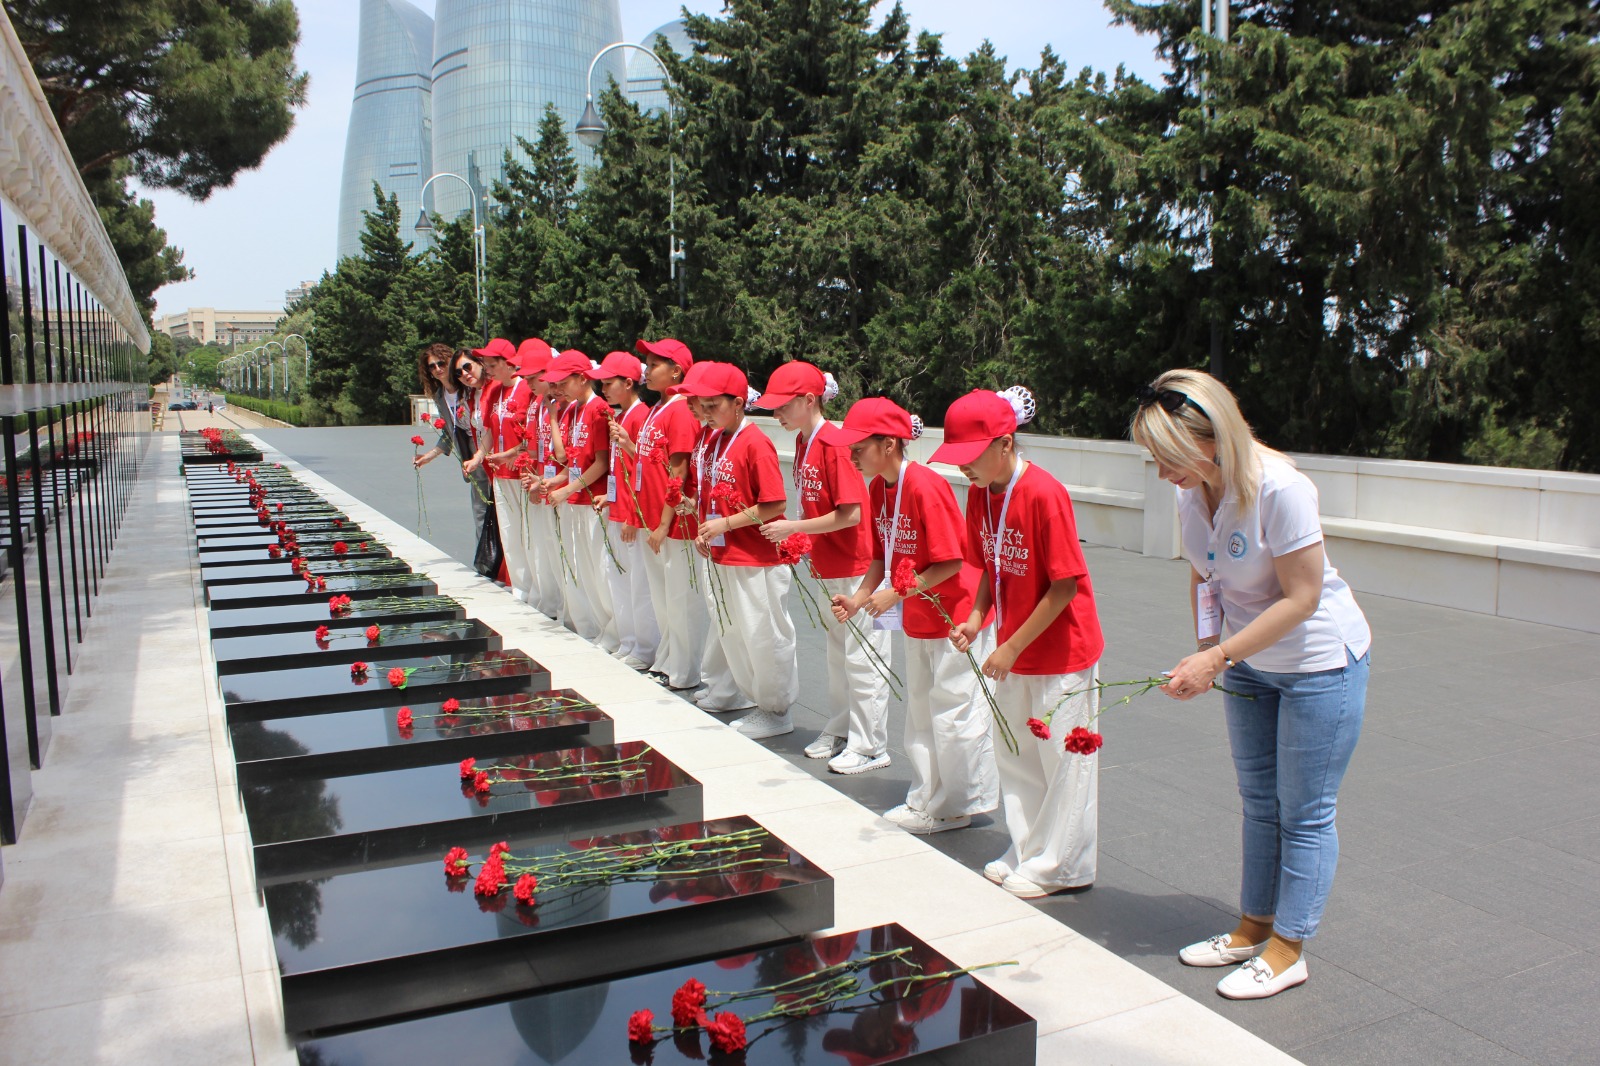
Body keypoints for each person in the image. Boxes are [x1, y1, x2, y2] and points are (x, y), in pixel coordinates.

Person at [1131, 368, 1371, 1001]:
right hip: (1248, 663)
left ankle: (1290, 947)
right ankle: (1252, 928)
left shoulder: (1280, 488)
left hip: (1319, 666)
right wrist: (1208, 651)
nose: (1162, 474)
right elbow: (1204, 576)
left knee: (1307, 811)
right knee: (1259, 802)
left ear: (1211, 439)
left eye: (1168, 459)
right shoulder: (1193, 492)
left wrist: (1219, 658)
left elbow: (1303, 596)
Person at [936, 387, 1105, 898]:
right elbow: (989, 567)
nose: (962, 467)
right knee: (1017, 753)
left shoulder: (1044, 493)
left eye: (970, 455)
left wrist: (1010, 646)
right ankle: (1029, 845)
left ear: (1005, 444)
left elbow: (1065, 585)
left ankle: (1064, 864)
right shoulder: (979, 492)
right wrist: (975, 618)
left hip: (1059, 649)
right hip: (1012, 645)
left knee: (1062, 758)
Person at [831, 399, 999, 833]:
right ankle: (927, 797)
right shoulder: (876, 488)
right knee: (922, 710)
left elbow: (952, 563)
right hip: (919, 614)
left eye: (859, 447)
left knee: (954, 711)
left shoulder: (925, 485)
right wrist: (860, 596)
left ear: (889, 445)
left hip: (955, 616)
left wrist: (894, 592)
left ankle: (958, 803)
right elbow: (881, 556)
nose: (851, 455)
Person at [754, 362, 889, 774]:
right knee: (838, 655)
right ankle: (843, 728)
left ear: (809, 400)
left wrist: (793, 527)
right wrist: (802, 540)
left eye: (783, 406)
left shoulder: (834, 443)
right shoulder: (804, 442)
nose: (776, 415)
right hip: (829, 564)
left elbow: (849, 514)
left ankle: (871, 745)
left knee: (864, 656)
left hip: (856, 566)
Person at [685, 363, 800, 739]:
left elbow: (773, 503)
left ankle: (776, 709)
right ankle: (752, 699)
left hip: (755, 559)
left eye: (713, 405)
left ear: (738, 404)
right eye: (702, 405)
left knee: (762, 635)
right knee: (732, 632)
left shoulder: (755, 442)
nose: (705, 412)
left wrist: (725, 524)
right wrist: (707, 529)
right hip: (725, 554)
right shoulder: (717, 438)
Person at [634, 338, 705, 690]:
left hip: (676, 523)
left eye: (653, 364)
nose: (645, 371)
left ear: (676, 370)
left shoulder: (679, 409)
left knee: (679, 599)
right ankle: (668, 659)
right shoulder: (657, 407)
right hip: (655, 517)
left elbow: (678, 471)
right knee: (663, 599)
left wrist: (664, 523)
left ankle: (684, 670)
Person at [541, 350, 619, 651]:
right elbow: (570, 460)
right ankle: (592, 628)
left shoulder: (598, 409)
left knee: (599, 570)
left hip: (593, 503)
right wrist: (558, 481)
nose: (557, 388)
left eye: (563, 381)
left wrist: (567, 487)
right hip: (575, 498)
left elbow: (601, 463)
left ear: (582, 378)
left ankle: (611, 634)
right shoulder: (572, 409)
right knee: (581, 568)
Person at [590, 351, 659, 671]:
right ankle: (629, 640)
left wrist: (632, 514)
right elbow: (622, 468)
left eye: (609, 383)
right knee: (618, 579)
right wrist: (609, 496)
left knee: (637, 584)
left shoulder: (640, 415)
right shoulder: (623, 415)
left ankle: (645, 648)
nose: (603, 388)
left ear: (629, 383)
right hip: (618, 509)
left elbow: (642, 471)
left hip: (630, 516)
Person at [461, 338, 531, 596]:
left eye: (492, 364)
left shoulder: (526, 389)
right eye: (486, 364)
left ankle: (534, 587)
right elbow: (490, 431)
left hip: (521, 472)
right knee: (508, 531)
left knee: (526, 531)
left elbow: (531, 436)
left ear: (508, 363)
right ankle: (518, 584)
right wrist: (479, 456)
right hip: (500, 474)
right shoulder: (495, 392)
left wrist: (509, 454)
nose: (487, 369)